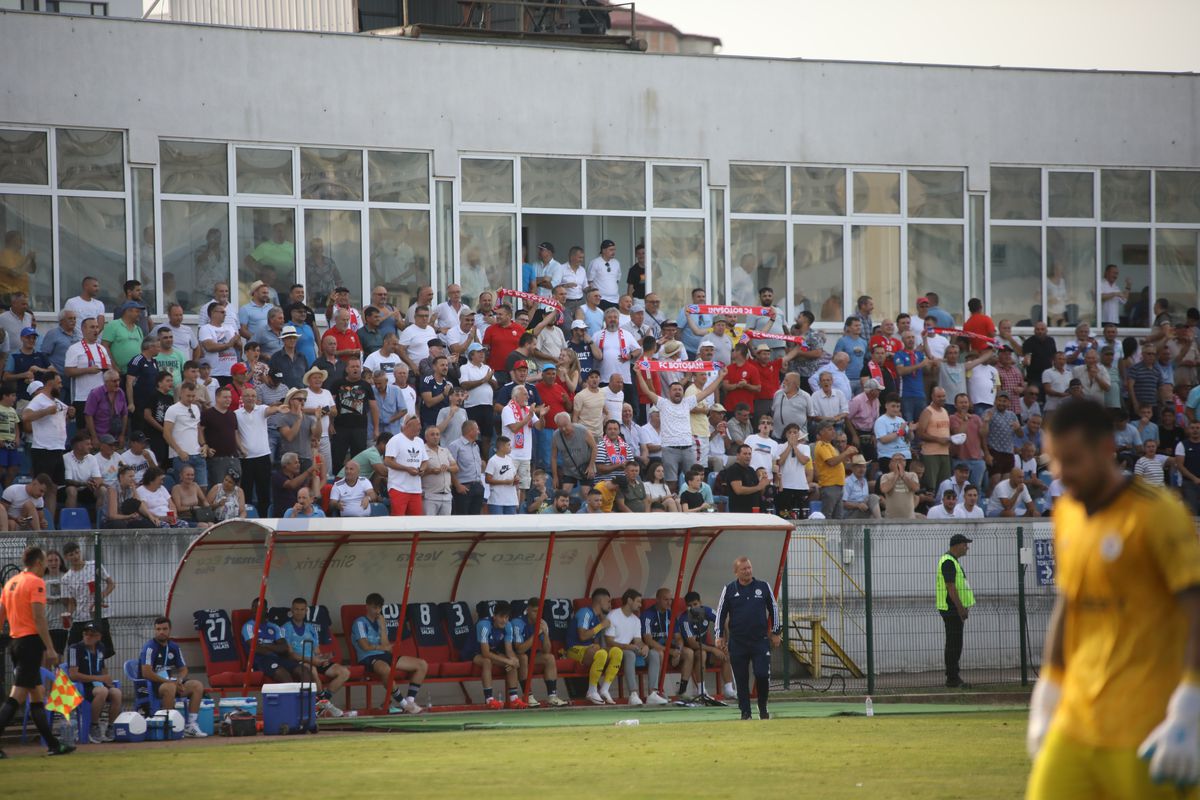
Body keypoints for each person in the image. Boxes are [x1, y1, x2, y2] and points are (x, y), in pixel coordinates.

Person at [1026, 399, 1200, 798]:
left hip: (1146, 728)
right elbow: (1068, 604)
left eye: (1072, 460)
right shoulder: (1066, 513)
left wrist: (1190, 706)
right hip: (1076, 722)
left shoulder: (1158, 514)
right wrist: (1047, 691)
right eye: (1054, 461)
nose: (1061, 473)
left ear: (1107, 449)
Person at [0, 546, 75, 756]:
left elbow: (1, 611)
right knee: (17, 695)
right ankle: (53, 744)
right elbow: (39, 617)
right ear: (39, 563)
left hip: (16, 642)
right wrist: (49, 647)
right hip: (30, 643)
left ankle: (53, 744)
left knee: (37, 694)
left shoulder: (11, 582)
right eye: (44, 562)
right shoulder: (35, 582)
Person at [715, 557, 781, 721]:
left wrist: (776, 632)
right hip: (738, 641)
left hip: (760, 640)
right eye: (744, 569)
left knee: (762, 674)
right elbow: (721, 613)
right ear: (736, 572)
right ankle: (745, 712)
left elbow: (774, 608)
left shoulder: (763, 586)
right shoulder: (729, 589)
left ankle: (762, 705)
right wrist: (719, 635)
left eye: (749, 568)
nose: (748, 571)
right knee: (741, 679)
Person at [351, 592, 427, 714]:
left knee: (422, 664)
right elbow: (365, 646)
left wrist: (382, 627)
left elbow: (386, 645)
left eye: (379, 608)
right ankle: (403, 703)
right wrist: (381, 647)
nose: (377, 611)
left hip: (384, 655)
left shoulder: (381, 621)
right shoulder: (360, 622)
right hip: (368, 657)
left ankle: (410, 701)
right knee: (386, 669)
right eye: (374, 607)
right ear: (367, 606)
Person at [139, 616, 208, 737]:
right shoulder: (150, 647)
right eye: (158, 629)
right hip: (151, 686)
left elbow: (183, 669)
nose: (161, 632)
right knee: (170, 687)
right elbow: (146, 673)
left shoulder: (174, 647)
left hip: (170, 683)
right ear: (155, 630)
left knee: (197, 685)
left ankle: (191, 725)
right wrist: (170, 682)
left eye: (164, 629)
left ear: (170, 630)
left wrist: (179, 680)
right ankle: (168, 725)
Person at [278, 597, 347, 717]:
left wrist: (322, 659)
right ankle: (324, 705)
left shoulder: (311, 628)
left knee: (344, 672)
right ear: (292, 610)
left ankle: (322, 701)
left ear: (306, 611)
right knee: (312, 670)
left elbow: (316, 651)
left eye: (302, 609)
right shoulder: (285, 628)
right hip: (299, 662)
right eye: (296, 609)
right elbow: (291, 654)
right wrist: (312, 661)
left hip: (314, 660)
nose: (299, 612)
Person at [464, 601, 526, 710]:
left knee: (511, 665)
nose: (504, 620)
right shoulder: (484, 625)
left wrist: (514, 659)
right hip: (473, 652)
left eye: (506, 617)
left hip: (492, 652)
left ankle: (514, 699)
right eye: (501, 617)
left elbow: (509, 650)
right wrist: (507, 660)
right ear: (494, 616)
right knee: (487, 661)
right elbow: (485, 653)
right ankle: (489, 700)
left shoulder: (508, 626)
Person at [66, 621, 122, 743]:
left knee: (116, 693)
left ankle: (110, 727)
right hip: (82, 686)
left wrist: (107, 679)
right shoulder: (74, 649)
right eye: (86, 634)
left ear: (99, 637)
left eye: (92, 635)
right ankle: (94, 726)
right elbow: (73, 675)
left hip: (98, 685)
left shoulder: (101, 647)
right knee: (102, 692)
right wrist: (99, 678)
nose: (88, 637)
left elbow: (102, 667)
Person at [604, 588, 661, 706]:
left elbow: (638, 641)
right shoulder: (613, 615)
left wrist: (644, 646)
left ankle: (652, 694)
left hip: (628, 649)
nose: (640, 605)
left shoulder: (636, 620)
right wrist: (628, 646)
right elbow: (609, 642)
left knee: (654, 654)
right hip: (614, 651)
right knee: (630, 654)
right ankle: (633, 694)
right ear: (629, 600)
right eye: (638, 601)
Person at [566, 587, 623, 705]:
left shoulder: (597, 618)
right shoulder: (585, 612)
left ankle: (604, 690)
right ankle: (592, 691)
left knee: (617, 652)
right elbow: (582, 636)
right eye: (608, 601)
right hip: (573, 649)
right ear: (600, 601)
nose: (610, 605)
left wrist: (597, 644)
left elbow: (595, 641)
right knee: (601, 654)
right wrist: (601, 625)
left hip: (588, 650)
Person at [511, 598, 569, 707]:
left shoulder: (542, 623)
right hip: (515, 658)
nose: (537, 614)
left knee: (550, 658)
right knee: (523, 657)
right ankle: (528, 696)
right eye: (534, 611)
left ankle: (552, 696)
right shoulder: (518, 623)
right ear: (528, 610)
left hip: (531, 654)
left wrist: (545, 633)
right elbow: (519, 649)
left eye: (540, 611)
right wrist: (536, 634)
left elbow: (547, 650)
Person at [936, 534, 975, 689]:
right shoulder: (948, 562)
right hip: (952, 609)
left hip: (953, 608)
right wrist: (961, 609)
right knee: (954, 644)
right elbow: (951, 587)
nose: (967, 548)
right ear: (957, 545)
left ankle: (953, 676)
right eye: (965, 544)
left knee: (955, 643)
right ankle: (952, 677)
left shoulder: (952, 561)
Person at [240, 597, 307, 684]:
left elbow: (284, 647)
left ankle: (308, 693)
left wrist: (266, 646)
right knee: (283, 674)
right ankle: (291, 693)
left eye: (259, 607)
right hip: (260, 660)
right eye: (253, 607)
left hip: (276, 658)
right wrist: (275, 648)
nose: (255, 609)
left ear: (266, 610)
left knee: (303, 670)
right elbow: (256, 648)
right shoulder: (248, 626)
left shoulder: (274, 627)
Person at [640, 588, 688, 704]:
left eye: (670, 600)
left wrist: (678, 650)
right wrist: (670, 652)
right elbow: (648, 640)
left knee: (689, 653)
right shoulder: (647, 614)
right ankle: (658, 690)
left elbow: (678, 637)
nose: (669, 602)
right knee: (660, 654)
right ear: (657, 599)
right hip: (653, 650)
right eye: (665, 599)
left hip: (669, 649)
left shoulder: (671, 614)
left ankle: (682, 691)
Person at [384, 415, 427, 515]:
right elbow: (388, 461)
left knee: (416, 521)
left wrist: (422, 469)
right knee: (398, 520)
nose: (420, 427)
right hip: (398, 488)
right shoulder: (396, 440)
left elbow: (425, 461)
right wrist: (406, 469)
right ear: (408, 425)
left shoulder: (420, 441)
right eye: (418, 425)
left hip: (415, 489)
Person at [723, 443, 770, 513]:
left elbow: (759, 491)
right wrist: (758, 487)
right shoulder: (733, 469)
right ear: (738, 455)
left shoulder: (751, 470)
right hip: (740, 512)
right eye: (745, 454)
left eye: (749, 454)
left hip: (756, 511)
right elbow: (738, 490)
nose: (748, 456)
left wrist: (764, 485)